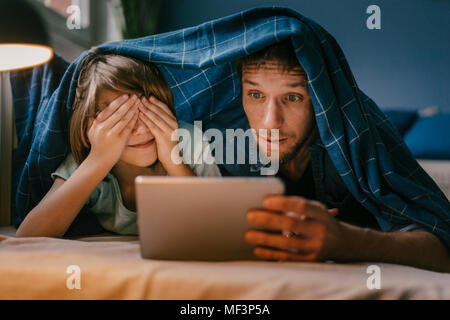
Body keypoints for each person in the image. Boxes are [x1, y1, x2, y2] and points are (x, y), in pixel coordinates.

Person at [236, 40, 449, 272]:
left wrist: (347, 241)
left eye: (293, 97)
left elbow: (443, 250)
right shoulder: (225, 146)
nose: (270, 122)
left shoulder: (362, 141)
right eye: (256, 95)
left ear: (322, 100)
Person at [16, 50, 220, 238]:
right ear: (92, 129)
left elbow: (219, 222)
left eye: (146, 111)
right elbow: (28, 236)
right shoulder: (88, 159)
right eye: (121, 118)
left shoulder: (188, 140)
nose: (140, 130)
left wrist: (173, 161)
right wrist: (99, 161)